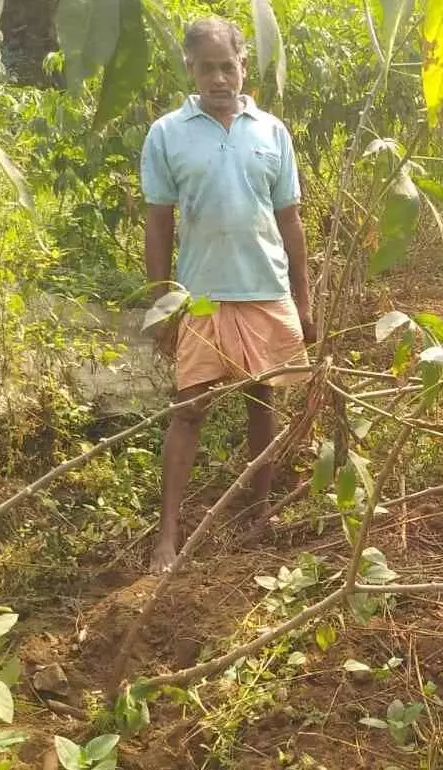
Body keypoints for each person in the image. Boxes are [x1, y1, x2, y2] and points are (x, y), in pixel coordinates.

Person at [140, 16, 315, 573]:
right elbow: (158, 223)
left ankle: (259, 512)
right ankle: (167, 535)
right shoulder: (167, 133)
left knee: (262, 400)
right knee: (189, 410)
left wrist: (303, 301)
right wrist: (163, 301)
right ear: (190, 69)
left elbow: (291, 223)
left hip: (264, 289)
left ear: (244, 66)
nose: (219, 78)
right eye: (207, 67)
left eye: (228, 66)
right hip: (203, 298)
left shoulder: (272, 132)